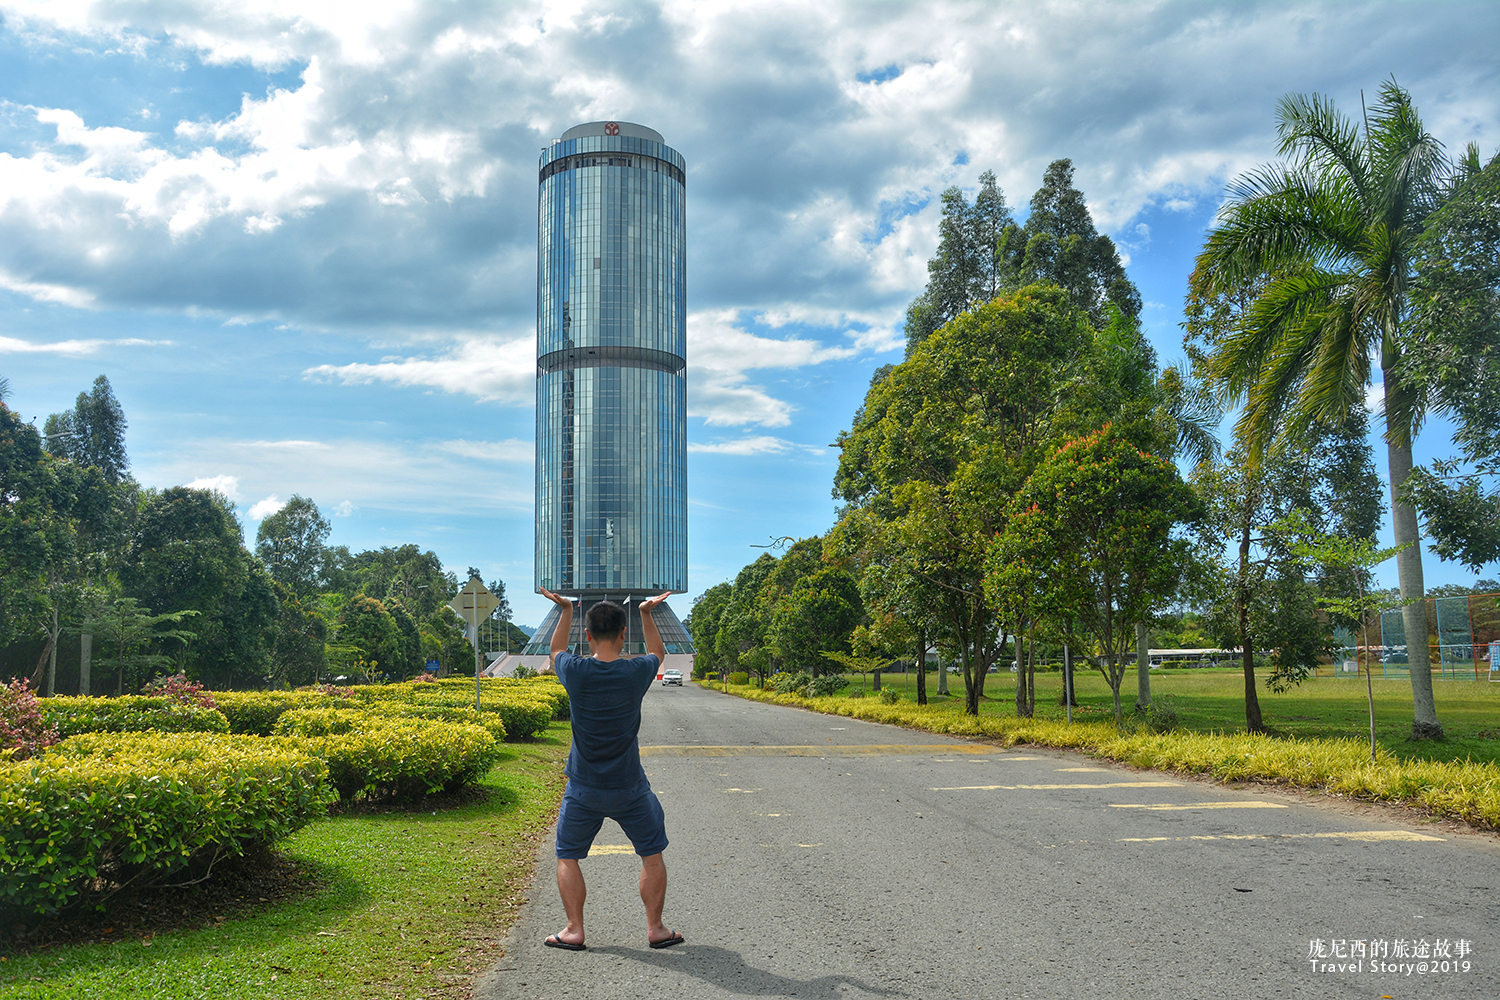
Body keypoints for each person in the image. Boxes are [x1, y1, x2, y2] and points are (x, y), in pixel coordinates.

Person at [537, 587, 684, 952]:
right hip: (630, 788)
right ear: (623, 634)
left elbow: (555, 651)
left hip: (583, 788)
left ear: (587, 635)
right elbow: (657, 653)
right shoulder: (635, 672)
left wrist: (567, 609)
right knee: (651, 854)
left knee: (568, 854)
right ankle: (656, 928)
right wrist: (647, 613)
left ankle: (574, 929)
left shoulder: (576, 671)